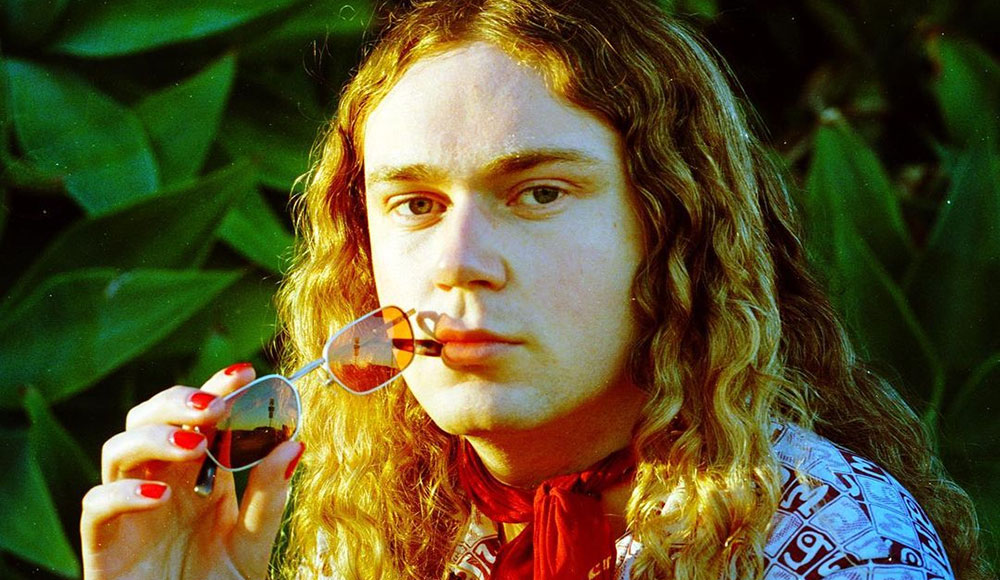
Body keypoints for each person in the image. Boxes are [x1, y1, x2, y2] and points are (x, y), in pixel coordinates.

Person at [80, 1, 991, 579]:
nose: (460, 260)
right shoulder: (381, 522)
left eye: (539, 192)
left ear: (673, 226)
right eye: (414, 202)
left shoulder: (828, 545)